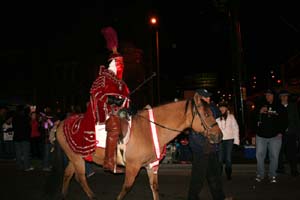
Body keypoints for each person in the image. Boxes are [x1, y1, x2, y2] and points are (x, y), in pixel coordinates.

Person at [188, 88, 231, 200]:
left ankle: (219, 197)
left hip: (211, 148)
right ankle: (192, 197)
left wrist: (207, 105)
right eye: (206, 97)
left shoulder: (209, 107)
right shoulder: (194, 109)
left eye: (209, 96)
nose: (209, 98)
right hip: (200, 149)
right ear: (199, 98)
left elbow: (217, 112)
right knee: (198, 178)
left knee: (215, 176)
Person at [255, 89, 287, 183]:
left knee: (274, 156)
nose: (268, 96)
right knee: (259, 156)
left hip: (275, 136)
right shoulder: (260, 105)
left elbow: (285, 120)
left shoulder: (280, 107)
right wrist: (259, 112)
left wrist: (281, 131)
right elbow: (253, 118)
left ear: (274, 96)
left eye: (270, 95)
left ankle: (272, 175)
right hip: (261, 136)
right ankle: (260, 174)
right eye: (266, 95)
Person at [277, 89, 300, 176]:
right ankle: (280, 168)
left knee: (292, 152)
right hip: (280, 134)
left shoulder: (293, 106)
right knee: (279, 151)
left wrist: (298, 134)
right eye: (283, 96)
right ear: (280, 98)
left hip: (291, 133)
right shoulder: (277, 107)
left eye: (286, 96)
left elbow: (297, 120)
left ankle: (294, 170)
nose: (284, 98)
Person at [216, 101, 240, 180]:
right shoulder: (217, 118)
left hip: (229, 140)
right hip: (220, 141)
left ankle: (228, 174)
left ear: (226, 108)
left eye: (223, 107)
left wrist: (236, 141)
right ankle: (218, 175)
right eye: (220, 107)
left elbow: (236, 129)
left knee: (228, 159)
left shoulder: (231, 117)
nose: (222, 108)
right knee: (219, 159)